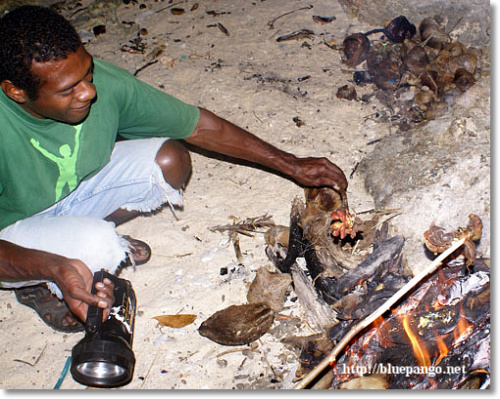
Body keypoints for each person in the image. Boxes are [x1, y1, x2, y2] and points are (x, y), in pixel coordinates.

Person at [0, 5, 347, 333]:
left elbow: (197, 126)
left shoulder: (103, 84)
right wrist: (52, 266)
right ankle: (40, 279)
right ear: (15, 92)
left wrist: (290, 164)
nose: (88, 91)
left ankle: (76, 239)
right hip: (10, 231)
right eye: (68, 89)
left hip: (68, 195)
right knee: (95, 247)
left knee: (169, 161)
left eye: (87, 72)